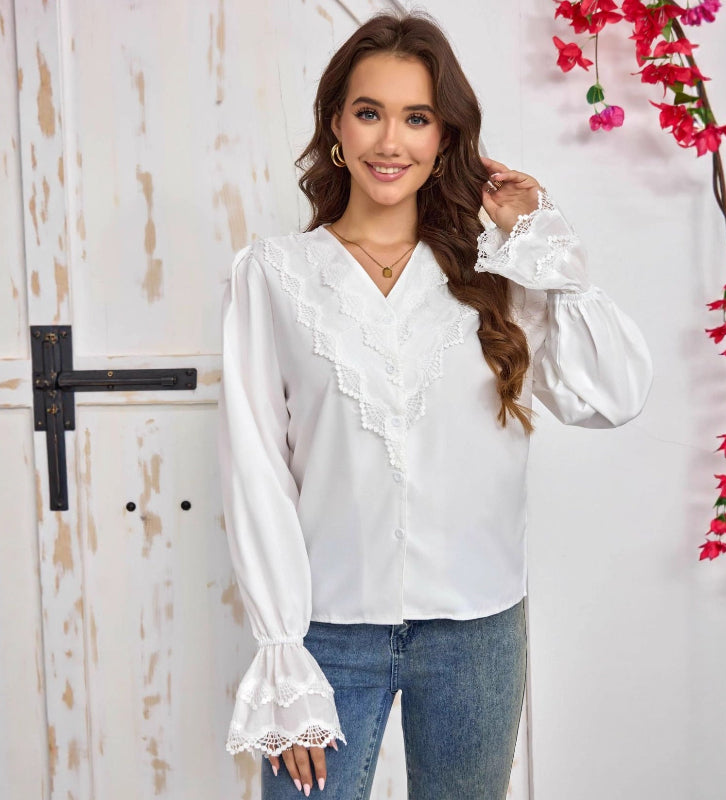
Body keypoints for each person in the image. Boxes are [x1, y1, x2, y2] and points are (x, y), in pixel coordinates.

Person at [217, 9, 652, 799]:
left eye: (417, 117)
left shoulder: (501, 275)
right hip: (324, 637)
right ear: (335, 126)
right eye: (370, 113)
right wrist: (283, 648)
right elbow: (256, 468)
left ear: (445, 135)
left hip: (476, 633)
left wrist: (546, 241)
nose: (391, 142)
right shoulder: (272, 276)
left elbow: (615, 395)